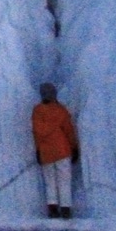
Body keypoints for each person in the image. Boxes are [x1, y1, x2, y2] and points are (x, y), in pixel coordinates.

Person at [32, 82, 79, 219]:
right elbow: (69, 130)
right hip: (63, 150)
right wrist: (74, 147)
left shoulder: (37, 111)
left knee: (49, 181)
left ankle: (52, 209)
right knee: (64, 180)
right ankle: (65, 209)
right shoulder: (61, 110)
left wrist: (38, 151)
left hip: (46, 151)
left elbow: (36, 132)